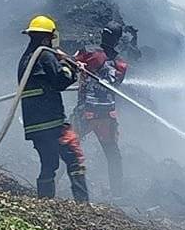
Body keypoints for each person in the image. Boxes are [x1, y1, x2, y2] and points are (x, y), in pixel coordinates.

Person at [18, 15, 89, 202]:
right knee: (74, 159)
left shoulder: (26, 59)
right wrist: (70, 65)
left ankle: (45, 203)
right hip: (53, 122)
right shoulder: (45, 55)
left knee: (48, 164)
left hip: (34, 125)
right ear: (47, 37)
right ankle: (83, 207)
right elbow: (61, 80)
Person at [73, 21, 129, 195]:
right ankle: (118, 194)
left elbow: (70, 66)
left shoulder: (88, 52)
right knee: (113, 155)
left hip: (86, 112)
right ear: (117, 40)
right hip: (106, 116)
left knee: (69, 148)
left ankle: (52, 187)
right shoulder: (121, 64)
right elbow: (117, 83)